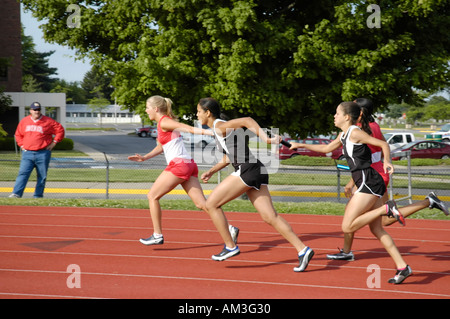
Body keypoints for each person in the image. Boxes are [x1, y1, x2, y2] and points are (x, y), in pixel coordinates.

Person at [290, 101, 447, 284]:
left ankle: (385, 210)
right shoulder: (344, 134)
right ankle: (403, 267)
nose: (334, 116)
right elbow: (326, 149)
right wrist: (299, 145)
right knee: (377, 228)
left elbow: (382, 144)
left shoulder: (356, 133)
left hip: (369, 182)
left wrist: (387, 162)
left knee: (347, 227)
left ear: (347, 117)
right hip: (367, 182)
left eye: (337, 113)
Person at [197, 97, 314, 272]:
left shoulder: (220, 125)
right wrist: (212, 171)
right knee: (269, 217)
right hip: (255, 169)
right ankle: (303, 249)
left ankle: (230, 246)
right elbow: (228, 157)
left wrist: (266, 139)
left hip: (247, 169)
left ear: (208, 113)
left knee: (211, 204)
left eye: (198, 112)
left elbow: (247, 120)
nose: (197, 115)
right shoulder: (219, 129)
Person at [328, 98, 448, 262]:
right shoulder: (374, 126)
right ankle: (427, 202)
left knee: (364, 218)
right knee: (380, 222)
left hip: (371, 177)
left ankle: (347, 251)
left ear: (360, 113)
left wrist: (352, 182)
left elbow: (361, 159)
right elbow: (380, 148)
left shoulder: (359, 130)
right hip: (377, 175)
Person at [128, 96, 239, 246]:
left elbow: (188, 128)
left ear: (155, 109)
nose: (146, 110)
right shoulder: (163, 124)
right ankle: (230, 228)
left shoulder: (165, 121)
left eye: (147, 107)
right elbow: (161, 146)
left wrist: (212, 132)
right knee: (202, 204)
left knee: (152, 196)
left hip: (179, 165)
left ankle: (157, 235)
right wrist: (144, 157)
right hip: (188, 164)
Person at [9, 102, 65, 198]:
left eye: (38, 109)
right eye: (34, 109)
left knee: (42, 176)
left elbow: (60, 130)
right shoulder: (24, 121)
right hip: (28, 153)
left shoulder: (48, 121)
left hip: (43, 153)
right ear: (30, 110)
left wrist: (54, 142)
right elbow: (18, 134)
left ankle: (38, 195)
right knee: (23, 173)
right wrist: (21, 145)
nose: (37, 111)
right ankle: (16, 194)